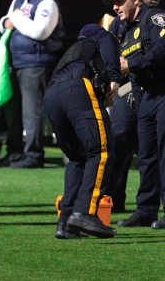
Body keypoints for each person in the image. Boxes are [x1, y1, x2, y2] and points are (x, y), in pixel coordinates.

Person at [107, 0, 165, 230]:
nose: (115, 7)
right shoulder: (124, 28)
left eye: (119, 1)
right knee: (146, 157)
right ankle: (146, 210)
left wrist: (130, 65)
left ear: (135, 0)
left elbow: (164, 53)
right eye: (112, 3)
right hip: (145, 95)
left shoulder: (157, 18)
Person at [45, 24, 122, 239]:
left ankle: (66, 223)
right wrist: (115, 79)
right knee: (100, 151)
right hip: (76, 89)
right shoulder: (97, 35)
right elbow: (104, 38)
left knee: (77, 158)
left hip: (52, 96)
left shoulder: (72, 53)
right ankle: (85, 213)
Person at [0, 0, 65, 169]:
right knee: (14, 110)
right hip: (16, 61)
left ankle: (34, 154)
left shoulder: (48, 1)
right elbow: (4, 23)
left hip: (36, 63)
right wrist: (9, 21)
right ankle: (15, 152)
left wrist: (16, 19)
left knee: (32, 110)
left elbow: (40, 32)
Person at [106, 0, 164, 213]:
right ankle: (113, 200)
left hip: (151, 89)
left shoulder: (159, 19)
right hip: (128, 89)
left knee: (152, 152)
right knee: (119, 142)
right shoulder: (118, 23)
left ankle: (149, 206)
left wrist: (131, 64)